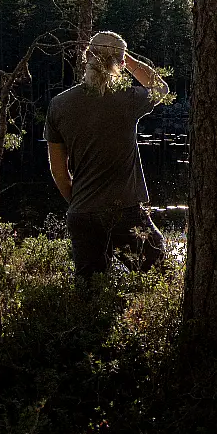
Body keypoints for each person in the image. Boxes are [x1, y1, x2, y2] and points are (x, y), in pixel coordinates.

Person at [45, 31, 170, 278]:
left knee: (89, 291)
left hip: (82, 214)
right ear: (120, 64)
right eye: (122, 61)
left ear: (87, 57)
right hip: (125, 212)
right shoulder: (128, 98)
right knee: (159, 275)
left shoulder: (59, 105)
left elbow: (58, 171)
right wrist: (130, 61)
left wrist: (81, 203)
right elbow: (161, 88)